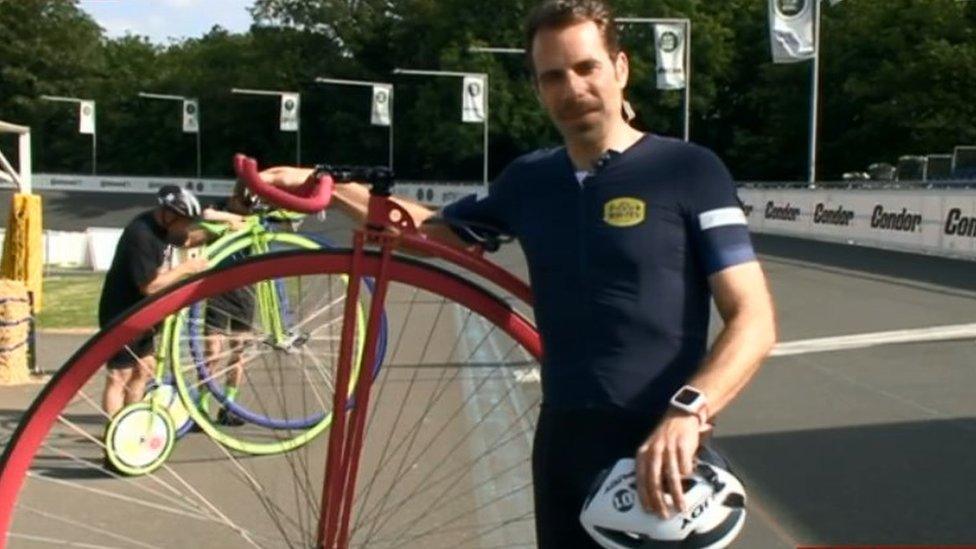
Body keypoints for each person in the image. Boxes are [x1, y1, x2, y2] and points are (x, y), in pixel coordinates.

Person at [258, 1, 776, 545]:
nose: (571, 89)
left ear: (620, 68)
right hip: (564, 443)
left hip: (662, 440)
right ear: (536, 88)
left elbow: (754, 318)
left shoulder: (688, 171)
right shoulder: (531, 180)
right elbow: (427, 234)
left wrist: (689, 412)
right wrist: (326, 188)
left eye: (586, 68)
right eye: (552, 76)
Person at [98, 185, 209, 419]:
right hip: (123, 313)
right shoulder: (141, 235)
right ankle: (114, 436)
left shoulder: (167, 229)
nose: (187, 226)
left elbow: (189, 239)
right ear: (169, 215)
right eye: (185, 221)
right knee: (120, 376)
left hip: (146, 315)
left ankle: (131, 423)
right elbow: (150, 286)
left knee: (144, 369)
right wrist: (187, 268)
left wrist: (225, 230)